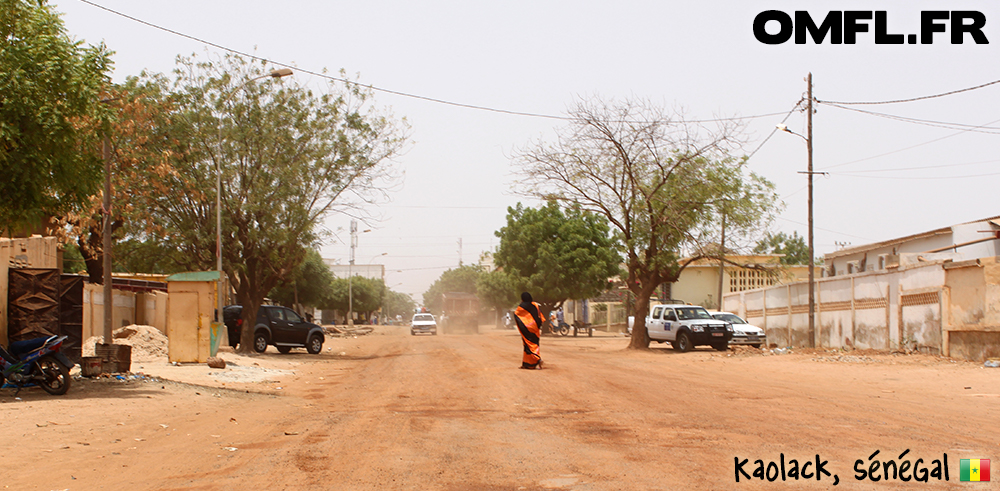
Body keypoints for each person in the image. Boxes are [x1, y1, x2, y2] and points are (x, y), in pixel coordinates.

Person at [514, 292, 545, 369]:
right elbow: (540, 316)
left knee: (530, 345)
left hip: (527, 329)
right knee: (532, 344)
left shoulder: (521, 307)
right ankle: (528, 364)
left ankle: (538, 359)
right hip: (535, 329)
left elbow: (517, 315)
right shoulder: (535, 305)